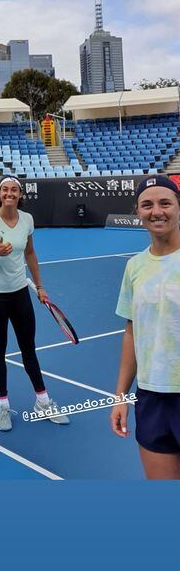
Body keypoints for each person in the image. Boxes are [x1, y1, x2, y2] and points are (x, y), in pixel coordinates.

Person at [0, 175, 69, 431]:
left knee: (28, 350)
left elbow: (30, 253)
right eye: (5, 189)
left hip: (21, 294)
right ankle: (3, 407)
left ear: (20, 194)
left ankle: (43, 402)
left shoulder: (27, 220)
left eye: (14, 190)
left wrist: (40, 286)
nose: (9, 193)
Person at [111, 174, 180, 479]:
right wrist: (121, 396)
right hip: (151, 397)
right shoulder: (134, 267)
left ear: (179, 207)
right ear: (137, 211)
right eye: (147, 204)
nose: (157, 211)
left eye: (165, 202)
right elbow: (132, 332)